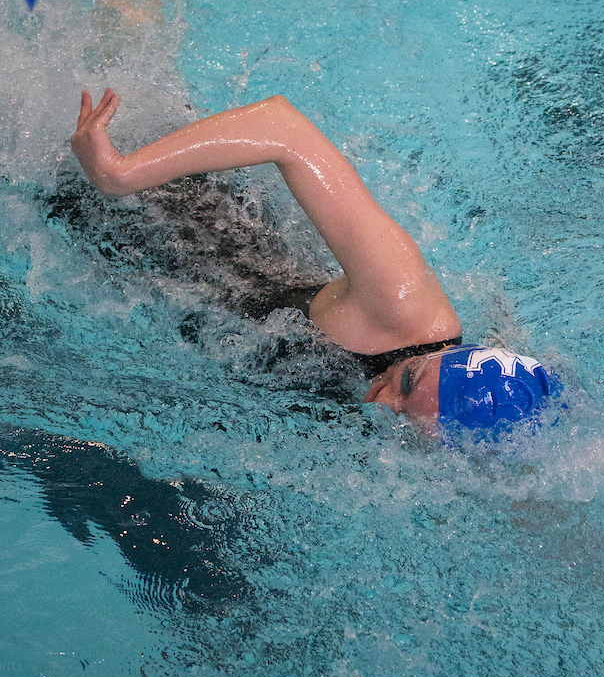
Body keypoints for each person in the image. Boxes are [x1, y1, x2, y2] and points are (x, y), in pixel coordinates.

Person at [71, 89, 561, 434]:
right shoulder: (402, 306)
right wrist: (119, 174)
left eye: (409, 421)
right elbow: (282, 126)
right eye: (406, 381)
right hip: (175, 213)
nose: (380, 401)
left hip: (148, 289)